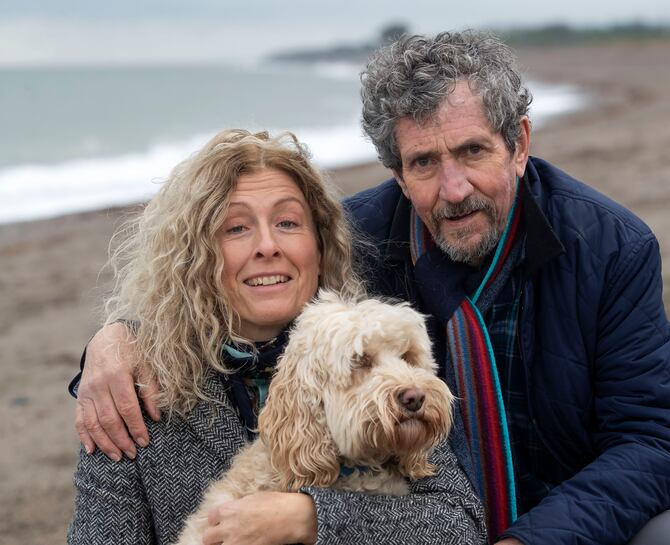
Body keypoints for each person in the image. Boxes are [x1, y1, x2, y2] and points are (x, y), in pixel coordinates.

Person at [72, 32, 670, 545]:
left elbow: (660, 440)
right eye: (424, 162)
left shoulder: (611, 246)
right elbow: (230, 269)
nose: (453, 189)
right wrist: (119, 334)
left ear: (518, 142)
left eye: (473, 152)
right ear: (396, 169)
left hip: (579, 516)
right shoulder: (355, 242)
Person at [67, 128, 485, 544]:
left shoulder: (380, 353)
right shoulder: (128, 387)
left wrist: (313, 518)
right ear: (195, 257)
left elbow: (460, 526)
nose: (268, 245)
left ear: (320, 248)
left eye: (288, 222)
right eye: (236, 228)